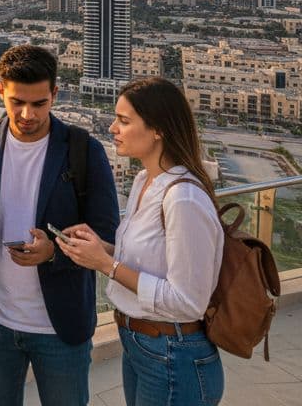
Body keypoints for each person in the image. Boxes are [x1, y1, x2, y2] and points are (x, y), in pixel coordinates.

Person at [0, 44, 120, 406]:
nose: (27, 114)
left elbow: (107, 239)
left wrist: (53, 253)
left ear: (55, 93)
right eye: (16, 102)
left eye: (39, 103)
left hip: (59, 328)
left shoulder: (83, 150)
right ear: (0, 91)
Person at [57, 78, 224, 406]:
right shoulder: (144, 181)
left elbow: (188, 302)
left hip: (173, 353)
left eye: (124, 120)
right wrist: (101, 249)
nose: (112, 128)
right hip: (141, 345)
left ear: (158, 129)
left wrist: (106, 264)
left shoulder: (183, 198)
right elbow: (151, 260)